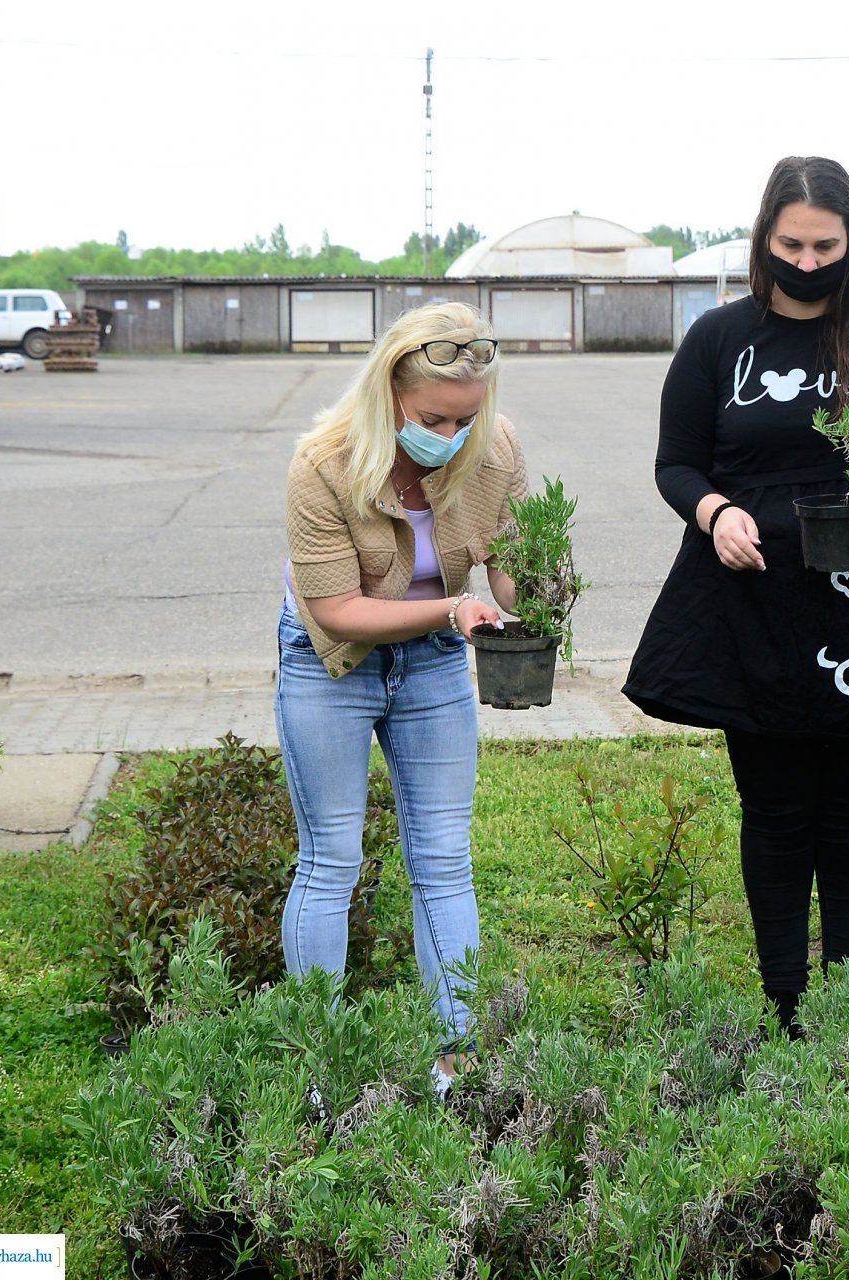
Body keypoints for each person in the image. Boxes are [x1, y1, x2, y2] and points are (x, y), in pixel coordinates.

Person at [623, 156, 849, 1035]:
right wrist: (714, 512)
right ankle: (785, 1005)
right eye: (791, 245)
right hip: (754, 602)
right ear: (763, 239)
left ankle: (844, 999)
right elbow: (676, 463)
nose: (807, 263)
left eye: (825, 247)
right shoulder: (719, 339)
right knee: (774, 810)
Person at [278, 302, 525, 1091]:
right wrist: (451, 610)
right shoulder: (322, 464)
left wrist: (538, 577)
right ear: (389, 393)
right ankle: (321, 1066)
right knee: (331, 859)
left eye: (466, 419)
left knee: (445, 858)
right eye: (434, 419)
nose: (451, 437)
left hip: (435, 662)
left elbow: (512, 581)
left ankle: (458, 1061)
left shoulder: (493, 450)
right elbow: (335, 611)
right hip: (332, 661)